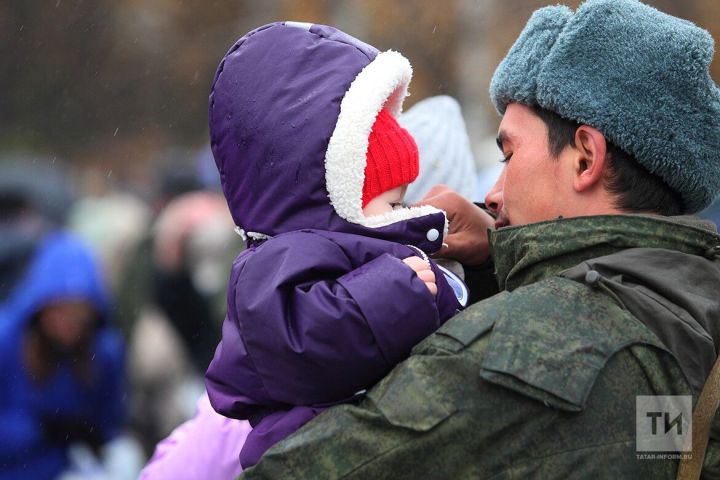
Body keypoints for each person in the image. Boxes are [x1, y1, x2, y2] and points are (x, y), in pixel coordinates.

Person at [241, 1, 720, 478]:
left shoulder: (533, 349)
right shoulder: (688, 307)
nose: (491, 194)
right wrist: (497, 260)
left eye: (508, 155)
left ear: (584, 158)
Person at [203, 22, 467, 468]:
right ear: (334, 184)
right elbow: (291, 344)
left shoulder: (346, 249)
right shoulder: (275, 260)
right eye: (390, 202)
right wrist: (396, 291)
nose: (401, 215)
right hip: (310, 453)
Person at [0, 231, 127, 480]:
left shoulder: (103, 352)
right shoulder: (7, 342)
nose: (69, 323)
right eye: (60, 310)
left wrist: (90, 436)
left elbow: (111, 423)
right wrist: (40, 429)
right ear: (39, 306)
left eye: (80, 313)